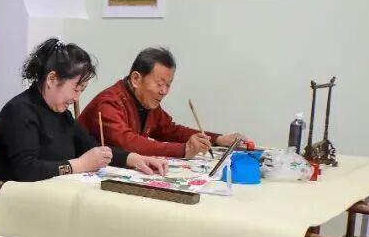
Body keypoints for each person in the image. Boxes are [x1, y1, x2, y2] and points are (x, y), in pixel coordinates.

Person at [0, 38, 167, 232]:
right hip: (12, 209)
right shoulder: (20, 111)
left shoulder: (61, 114)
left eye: (82, 90)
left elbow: (92, 147)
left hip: (50, 201)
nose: (77, 97)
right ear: (52, 79)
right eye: (75, 88)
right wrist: (80, 165)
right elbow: (28, 170)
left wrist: (135, 159)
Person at [78, 47, 247, 158]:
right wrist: (184, 150)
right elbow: (128, 143)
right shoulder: (109, 103)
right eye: (159, 84)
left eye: (168, 85)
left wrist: (218, 139)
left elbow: (171, 130)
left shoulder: (146, 101)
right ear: (136, 79)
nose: (164, 91)